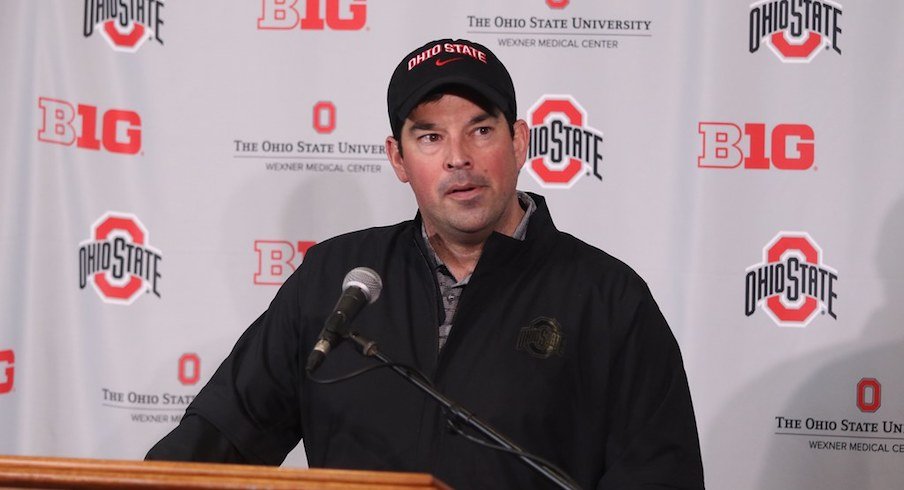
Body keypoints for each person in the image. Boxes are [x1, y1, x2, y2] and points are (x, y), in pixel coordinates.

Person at [147, 38, 705, 489]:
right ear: (398, 158)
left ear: (519, 141)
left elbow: (661, 475)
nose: (458, 157)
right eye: (430, 136)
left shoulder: (607, 298)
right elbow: (221, 438)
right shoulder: (334, 280)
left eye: (481, 130)